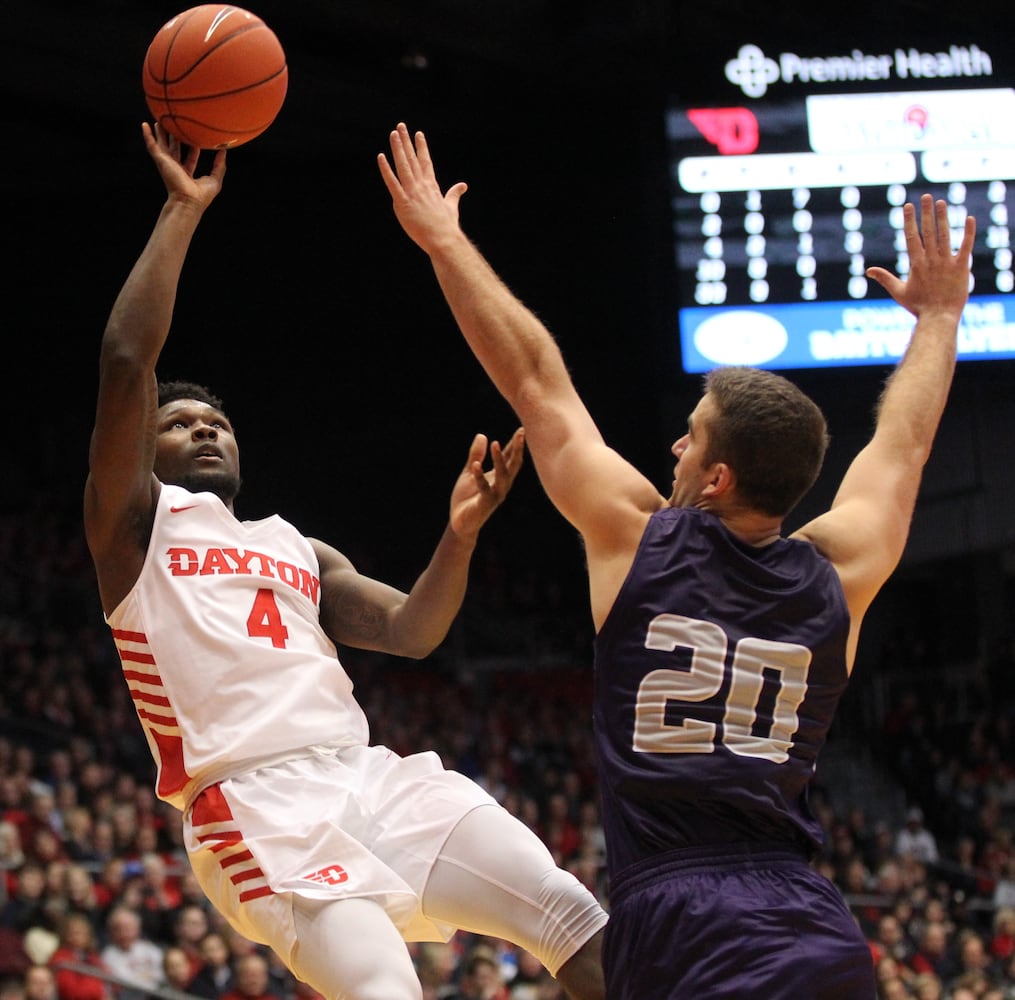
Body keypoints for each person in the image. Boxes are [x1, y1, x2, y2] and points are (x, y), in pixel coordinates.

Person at [378, 121, 977, 999]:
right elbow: (904, 442)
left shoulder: (636, 539)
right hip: (815, 925)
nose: (673, 442)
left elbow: (536, 382)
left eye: (690, 438)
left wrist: (443, 240)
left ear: (717, 476)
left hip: (682, 923)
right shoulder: (841, 574)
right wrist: (938, 318)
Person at [83, 122, 606, 1000]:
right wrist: (182, 208)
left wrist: (460, 534)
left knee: (573, 913)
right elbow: (126, 359)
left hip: (367, 772)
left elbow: (412, 631)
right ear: (147, 450)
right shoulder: (133, 528)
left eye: (215, 420)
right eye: (177, 424)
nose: (202, 427)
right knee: (384, 991)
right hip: (251, 806)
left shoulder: (298, 546)